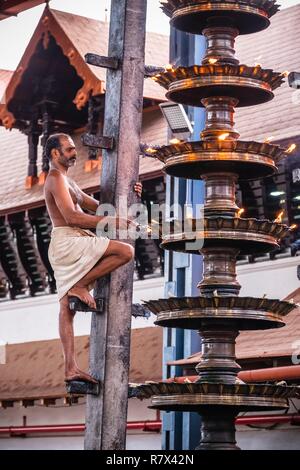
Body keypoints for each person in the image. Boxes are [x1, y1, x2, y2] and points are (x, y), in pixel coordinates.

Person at [44, 133, 142, 383]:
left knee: (66, 305)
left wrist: (133, 194)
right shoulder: (55, 179)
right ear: (55, 153)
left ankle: (71, 368)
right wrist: (112, 221)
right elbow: (72, 218)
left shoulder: (68, 181)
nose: (75, 152)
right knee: (125, 251)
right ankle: (79, 285)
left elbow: (99, 207)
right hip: (68, 241)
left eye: (74, 148)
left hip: (75, 239)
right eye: (69, 149)